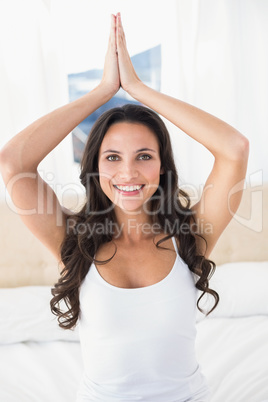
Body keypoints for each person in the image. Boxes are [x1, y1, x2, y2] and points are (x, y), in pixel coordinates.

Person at [0, 12, 249, 402]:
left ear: (163, 165)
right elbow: (12, 161)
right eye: (112, 157)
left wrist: (137, 88)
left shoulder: (191, 235)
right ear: (95, 167)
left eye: (144, 156)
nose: (129, 172)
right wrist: (103, 92)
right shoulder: (73, 240)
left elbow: (234, 149)